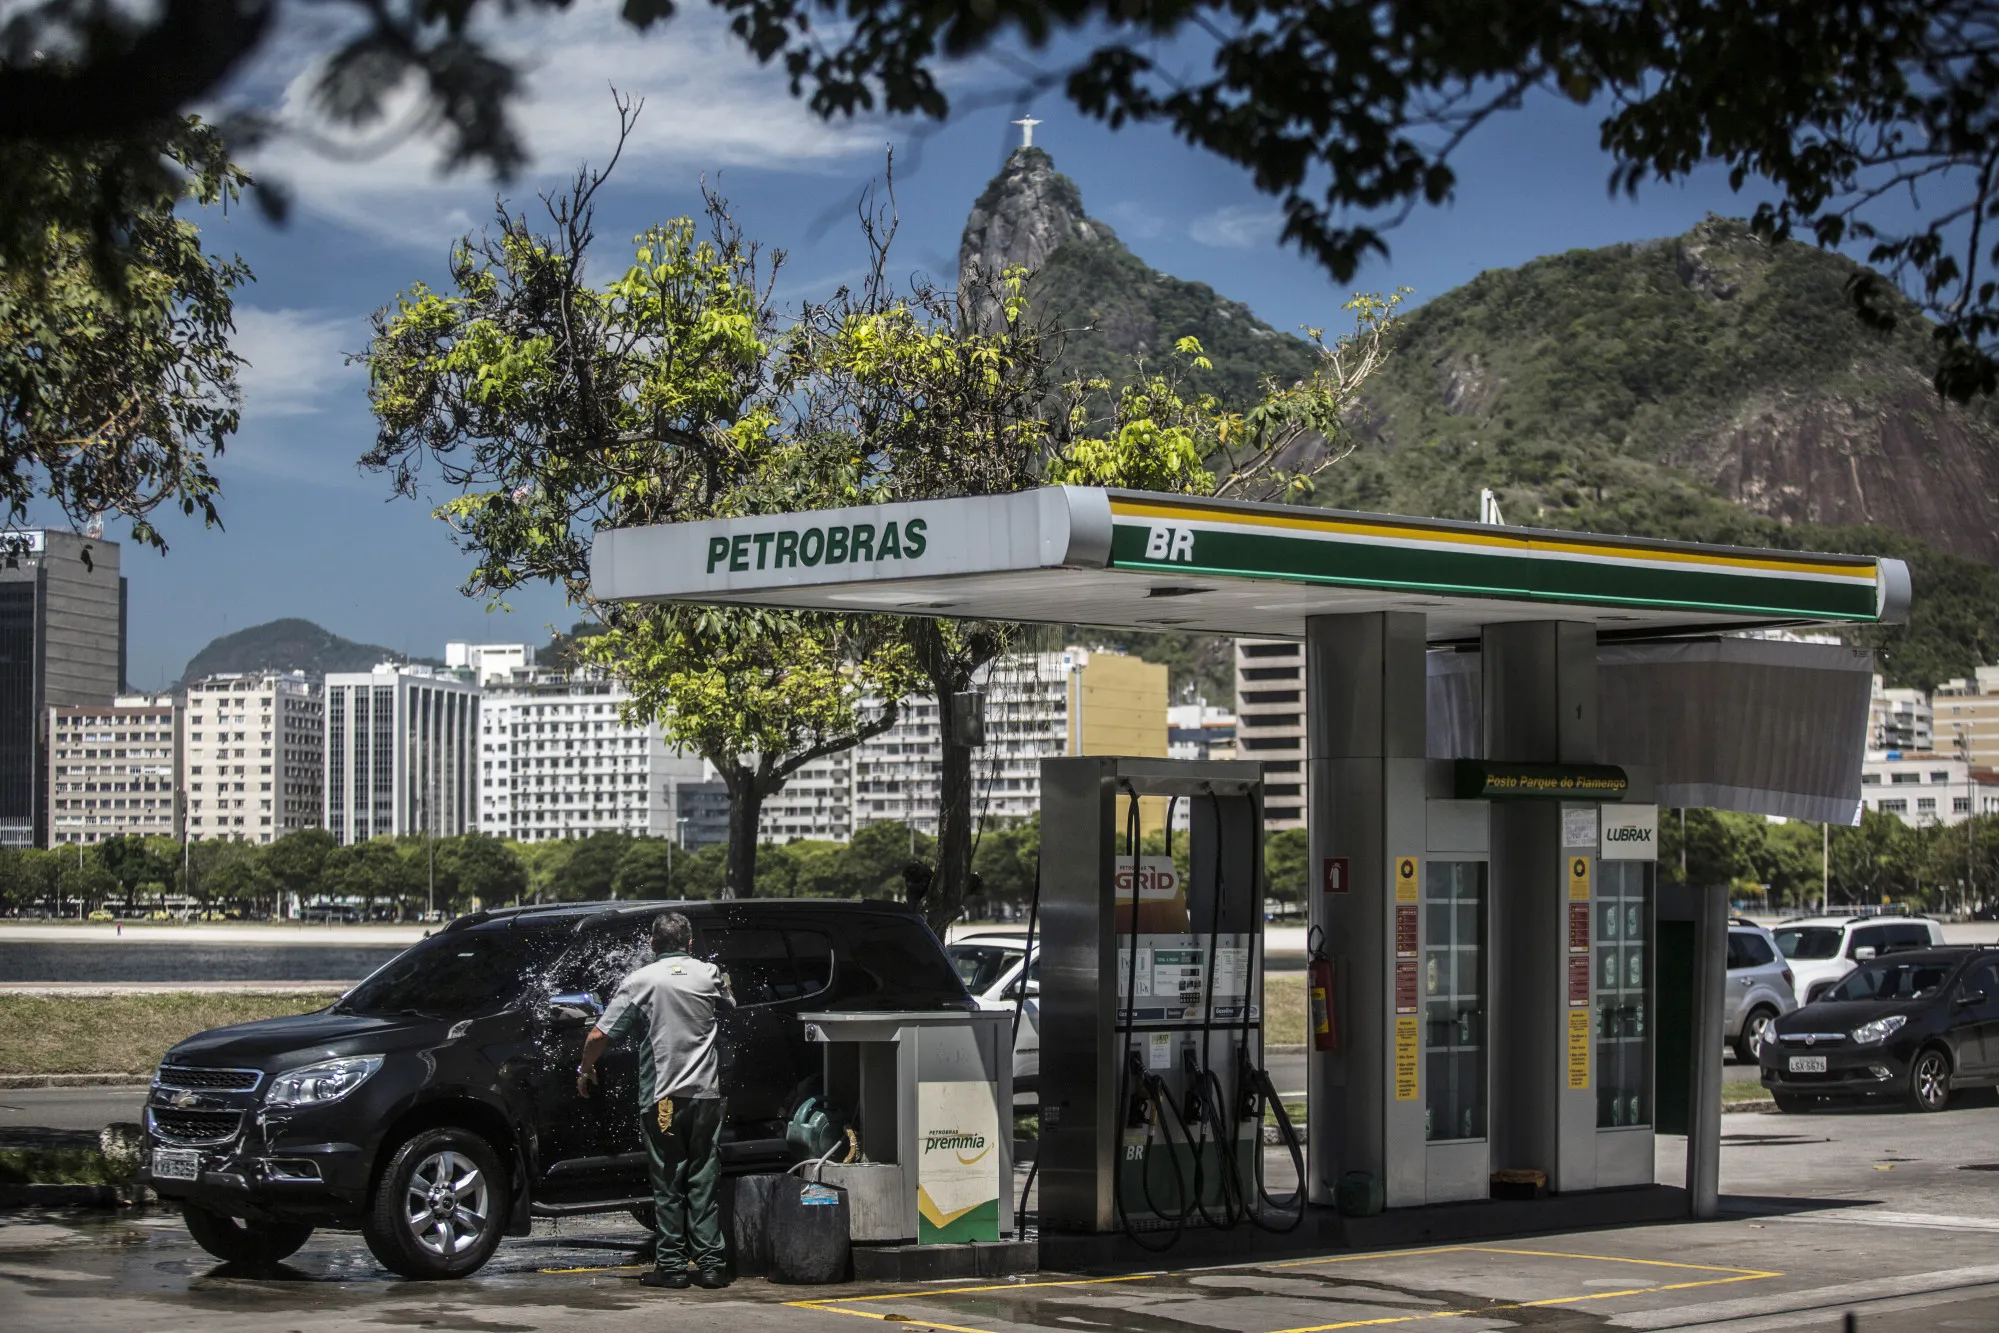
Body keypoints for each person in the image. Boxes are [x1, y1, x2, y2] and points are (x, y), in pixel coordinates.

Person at [576, 912, 735, 1289]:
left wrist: (584, 1070)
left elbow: (598, 1036)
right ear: (690, 944)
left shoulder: (639, 981)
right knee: (703, 1180)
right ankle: (712, 1267)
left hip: (663, 1099)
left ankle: (672, 1269)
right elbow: (730, 1002)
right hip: (706, 1096)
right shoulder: (710, 974)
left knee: (668, 1182)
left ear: (651, 944)